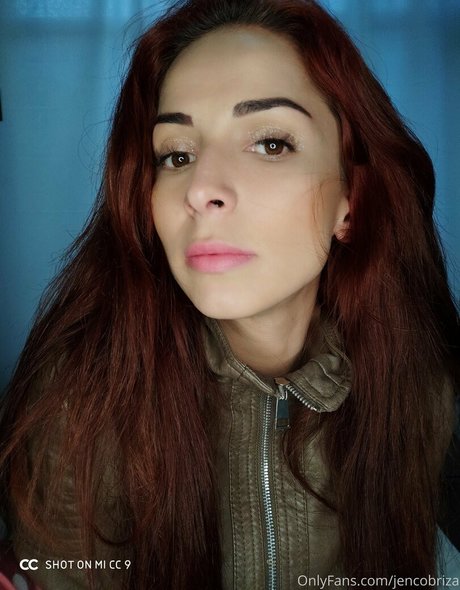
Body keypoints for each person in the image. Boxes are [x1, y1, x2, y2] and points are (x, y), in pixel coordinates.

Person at [0, 0, 459, 588]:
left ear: (351, 204)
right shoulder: (81, 400)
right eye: (177, 155)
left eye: (270, 143)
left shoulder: (418, 383)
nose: (201, 189)